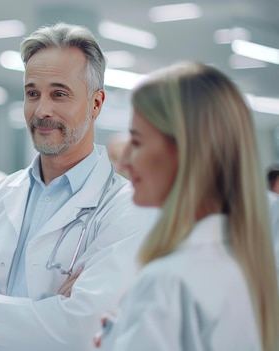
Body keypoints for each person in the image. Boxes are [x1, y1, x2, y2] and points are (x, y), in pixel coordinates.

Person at [0, 22, 156, 350]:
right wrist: (45, 319)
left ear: (96, 104)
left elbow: (84, 329)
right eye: (32, 93)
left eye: (59, 93)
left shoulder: (129, 208)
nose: (42, 110)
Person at [96, 62, 279, 350]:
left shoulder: (168, 281)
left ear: (187, 153)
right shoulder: (244, 261)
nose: (124, 161)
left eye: (137, 140)